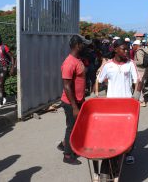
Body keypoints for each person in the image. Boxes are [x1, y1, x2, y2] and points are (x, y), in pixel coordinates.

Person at [96, 39, 138, 170]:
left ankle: (128, 152)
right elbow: (99, 80)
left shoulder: (130, 64)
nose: (126, 51)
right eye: (123, 49)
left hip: (127, 104)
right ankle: (113, 151)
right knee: (112, 129)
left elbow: (138, 81)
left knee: (130, 130)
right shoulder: (108, 65)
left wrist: (136, 97)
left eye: (127, 49)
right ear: (115, 50)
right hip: (111, 105)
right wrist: (98, 94)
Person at [59, 35, 91, 165]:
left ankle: (64, 145)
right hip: (71, 103)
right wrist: (74, 107)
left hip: (78, 101)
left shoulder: (77, 60)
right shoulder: (70, 62)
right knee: (71, 128)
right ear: (78, 45)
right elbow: (66, 86)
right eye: (84, 44)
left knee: (75, 126)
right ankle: (67, 155)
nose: (85, 47)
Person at [0, 34, 15, 108]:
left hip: (3, 68)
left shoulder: (4, 47)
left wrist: (12, 67)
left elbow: (12, 57)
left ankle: (1, 101)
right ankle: (3, 96)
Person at [133, 40, 148, 107]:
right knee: (140, 85)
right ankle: (139, 99)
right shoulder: (144, 50)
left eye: (134, 45)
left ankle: (141, 101)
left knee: (139, 85)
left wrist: (133, 62)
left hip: (140, 70)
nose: (133, 46)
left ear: (137, 45)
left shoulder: (139, 52)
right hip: (143, 70)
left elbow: (141, 62)